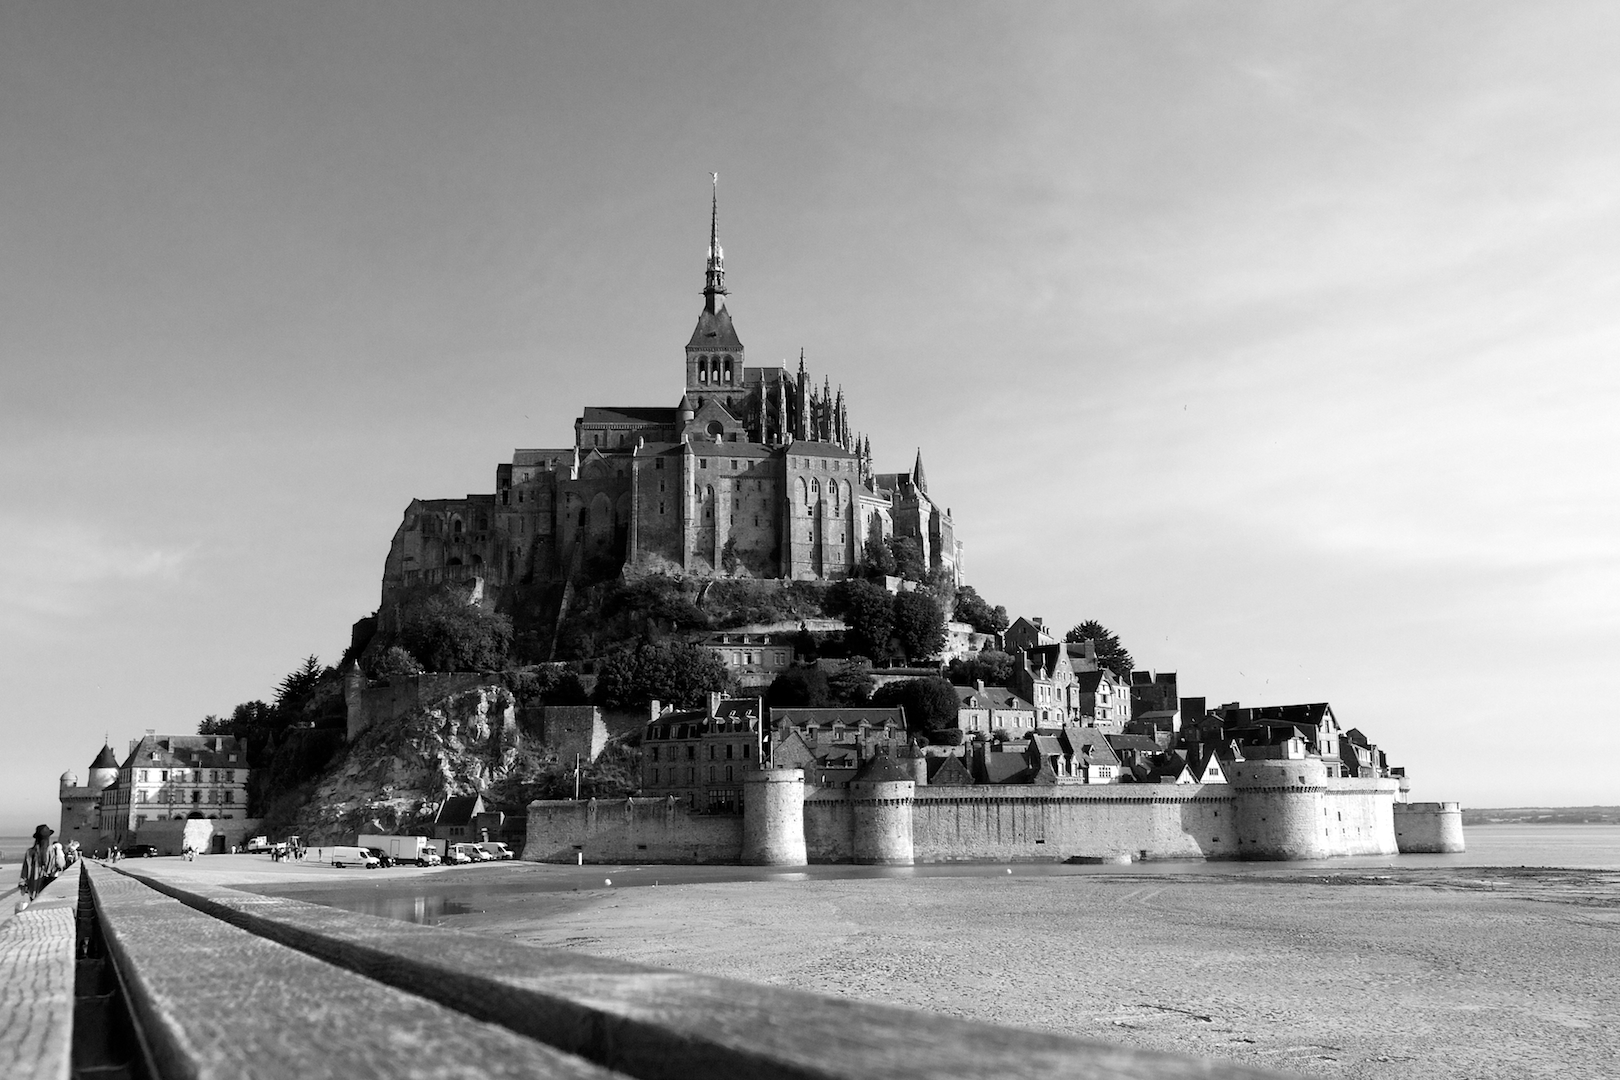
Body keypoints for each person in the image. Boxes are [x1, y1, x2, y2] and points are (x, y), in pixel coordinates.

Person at [18, 825, 67, 908]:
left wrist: (22, 884)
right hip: (49, 886)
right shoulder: (53, 851)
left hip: (33, 887)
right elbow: (62, 865)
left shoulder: (30, 852)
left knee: (35, 907)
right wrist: (59, 850)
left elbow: (25, 871)